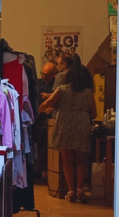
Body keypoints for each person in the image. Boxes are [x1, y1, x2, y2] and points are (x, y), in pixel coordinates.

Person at [40, 62, 96, 202]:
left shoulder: (62, 89)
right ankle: (80, 189)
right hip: (81, 125)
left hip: (64, 124)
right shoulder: (88, 93)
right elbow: (94, 114)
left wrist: (35, 111)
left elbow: (47, 103)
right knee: (80, 160)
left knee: (67, 160)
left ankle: (71, 191)